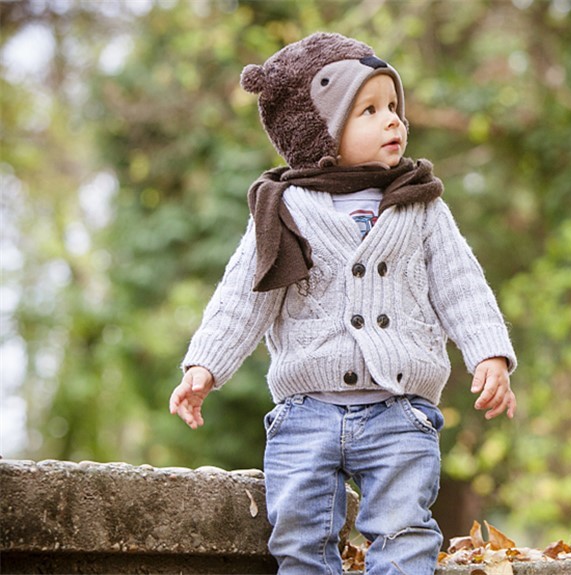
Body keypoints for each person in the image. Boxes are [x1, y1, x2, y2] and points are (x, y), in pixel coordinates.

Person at [168, 32, 517, 575]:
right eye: (370, 111)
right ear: (320, 131)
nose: (393, 121)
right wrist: (204, 365)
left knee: (405, 534)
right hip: (306, 413)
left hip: (400, 409)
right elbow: (242, 296)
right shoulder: (285, 209)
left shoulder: (420, 204)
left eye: (394, 107)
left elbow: (461, 284)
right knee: (300, 542)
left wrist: (489, 352)